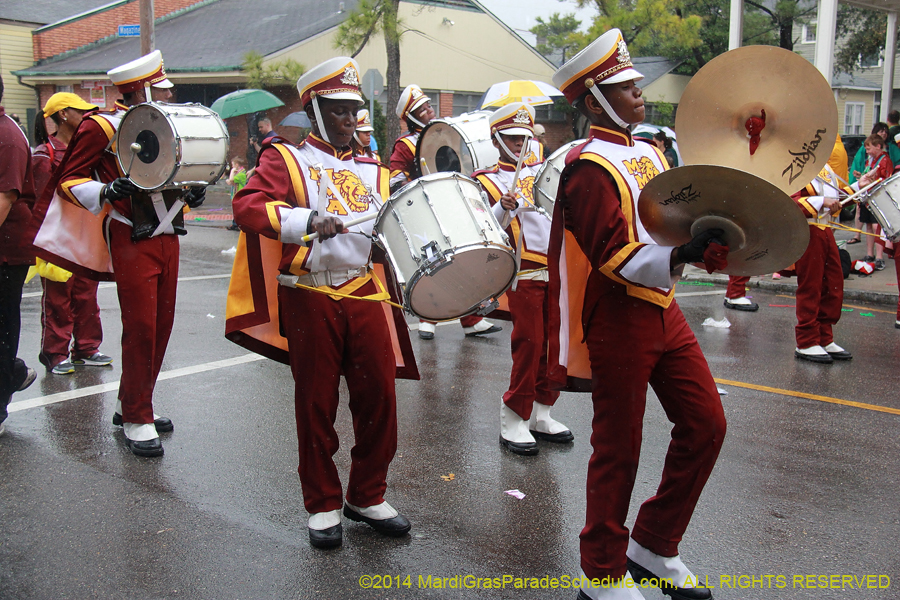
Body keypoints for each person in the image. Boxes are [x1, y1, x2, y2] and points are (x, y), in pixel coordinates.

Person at [548, 29, 727, 599]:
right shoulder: (587, 167)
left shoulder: (649, 152)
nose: (639, 92)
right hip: (620, 313)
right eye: (625, 87)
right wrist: (682, 255)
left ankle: (652, 543)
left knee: (706, 424)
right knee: (618, 446)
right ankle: (602, 572)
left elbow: (670, 225)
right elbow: (615, 256)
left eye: (635, 83)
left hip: (664, 308)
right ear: (596, 98)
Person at [228, 56, 418, 549]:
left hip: (363, 289)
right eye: (337, 110)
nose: (349, 120)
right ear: (313, 110)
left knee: (380, 395)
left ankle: (367, 493)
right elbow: (247, 207)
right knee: (316, 402)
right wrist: (307, 220)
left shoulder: (375, 171)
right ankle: (322, 502)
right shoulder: (285, 158)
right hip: (310, 292)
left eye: (354, 110)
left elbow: (383, 234)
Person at [28, 50, 207, 457]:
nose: (169, 94)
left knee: (162, 324)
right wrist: (105, 191)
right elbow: (67, 180)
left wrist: (192, 193)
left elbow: (175, 175)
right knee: (142, 325)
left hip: (169, 231)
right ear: (142, 89)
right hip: (129, 232)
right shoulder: (103, 126)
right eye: (160, 89)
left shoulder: (169, 123)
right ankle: (136, 417)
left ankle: (134, 401)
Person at [473, 102, 573, 456]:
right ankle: (515, 413)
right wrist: (504, 206)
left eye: (524, 137)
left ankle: (543, 410)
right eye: (513, 138)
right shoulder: (484, 179)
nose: (520, 144)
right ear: (497, 138)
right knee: (530, 343)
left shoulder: (544, 171)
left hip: (557, 266)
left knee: (557, 345)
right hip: (524, 269)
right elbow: (484, 229)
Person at [389, 84, 501, 340]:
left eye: (429, 106)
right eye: (423, 109)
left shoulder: (447, 134)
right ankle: (428, 318)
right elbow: (395, 179)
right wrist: (420, 188)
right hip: (427, 210)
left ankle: (471, 319)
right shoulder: (405, 145)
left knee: (466, 259)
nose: (430, 111)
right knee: (435, 264)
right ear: (411, 116)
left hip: (453, 202)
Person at [32, 92, 113, 375]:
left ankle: (87, 348)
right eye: (82, 111)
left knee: (86, 294)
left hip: (86, 234)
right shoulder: (46, 154)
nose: (88, 116)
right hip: (58, 237)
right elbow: (40, 202)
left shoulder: (89, 146)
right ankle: (55, 353)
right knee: (58, 297)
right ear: (63, 115)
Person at [0, 75, 37, 438]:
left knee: (2, 327)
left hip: (8, 249)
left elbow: (6, 198)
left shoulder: (8, 137)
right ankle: (14, 372)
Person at [790, 159, 854, 364]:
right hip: (808, 230)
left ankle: (825, 337)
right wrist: (820, 201)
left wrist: (860, 187)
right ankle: (806, 341)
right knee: (811, 286)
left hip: (826, 230)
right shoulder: (794, 165)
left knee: (833, 285)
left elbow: (838, 199)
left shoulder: (824, 167)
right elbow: (787, 202)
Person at [854, 133, 892, 271]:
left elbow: (885, 179)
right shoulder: (871, 160)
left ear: (878, 146)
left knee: (877, 228)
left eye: (869, 149)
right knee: (869, 226)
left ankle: (880, 257)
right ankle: (870, 254)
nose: (868, 152)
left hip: (878, 198)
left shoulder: (884, 160)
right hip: (867, 197)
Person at [226, 156, 248, 231]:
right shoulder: (239, 173)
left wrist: (232, 171)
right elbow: (232, 182)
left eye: (233, 165)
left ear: (237, 165)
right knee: (236, 210)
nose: (232, 166)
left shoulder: (241, 174)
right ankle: (235, 224)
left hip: (239, 194)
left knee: (238, 210)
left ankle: (238, 224)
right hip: (236, 194)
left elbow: (231, 179)